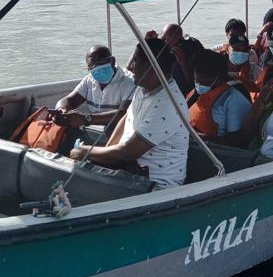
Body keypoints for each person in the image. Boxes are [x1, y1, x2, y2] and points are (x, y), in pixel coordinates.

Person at [69, 37, 189, 187]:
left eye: (136, 61)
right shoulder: (143, 87)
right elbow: (127, 118)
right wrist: (105, 152)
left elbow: (128, 152)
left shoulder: (168, 104)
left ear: (150, 67)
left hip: (155, 183)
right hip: (128, 171)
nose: (131, 66)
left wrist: (84, 152)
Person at [53, 45, 136, 128]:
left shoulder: (129, 81)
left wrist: (85, 119)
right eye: (92, 65)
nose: (97, 67)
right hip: (94, 127)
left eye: (101, 62)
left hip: (118, 129)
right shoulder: (89, 80)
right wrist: (62, 111)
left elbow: (124, 113)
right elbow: (69, 100)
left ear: (112, 61)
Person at [189, 49, 252, 147]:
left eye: (204, 82)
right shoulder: (196, 92)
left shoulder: (234, 98)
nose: (199, 85)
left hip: (216, 149)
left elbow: (236, 140)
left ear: (218, 79)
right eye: (197, 80)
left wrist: (201, 137)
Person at [160, 23, 203, 95]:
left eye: (165, 39)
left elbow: (195, 83)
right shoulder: (163, 49)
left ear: (178, 38)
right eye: (162, 38)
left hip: (187, 94)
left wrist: (183, 63)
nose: (163, 42)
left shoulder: (192, 48)